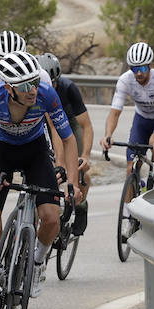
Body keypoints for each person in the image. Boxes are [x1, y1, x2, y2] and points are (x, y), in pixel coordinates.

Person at [0, 51, 81, 309]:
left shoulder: (46, 94)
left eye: (34, 82)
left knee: (51, 219)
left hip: (35, 151)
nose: (32, 90)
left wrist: (72, 182)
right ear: (8, 88)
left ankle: (38, 262)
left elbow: (68, 139)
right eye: (24, 86)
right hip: (0, 150)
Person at [101, 42, 154, 185]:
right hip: (142, 119)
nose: (138, 73)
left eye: (143, 68)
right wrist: (108, 135)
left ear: (151, 65)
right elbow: (114, 113)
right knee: (130, 170)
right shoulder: (125, 80)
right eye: (134, 68)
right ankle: (129, 204)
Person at [39, 52, 92, 235]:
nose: (50, 88)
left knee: (78, 168)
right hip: (48, 125)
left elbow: (86, 126)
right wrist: (58, 163)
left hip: (70, 124)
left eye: (53, 84)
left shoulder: (69, 88)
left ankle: (82, 205)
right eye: (46, 83)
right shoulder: (33, 91)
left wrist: (85, 155)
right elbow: (51, 130)